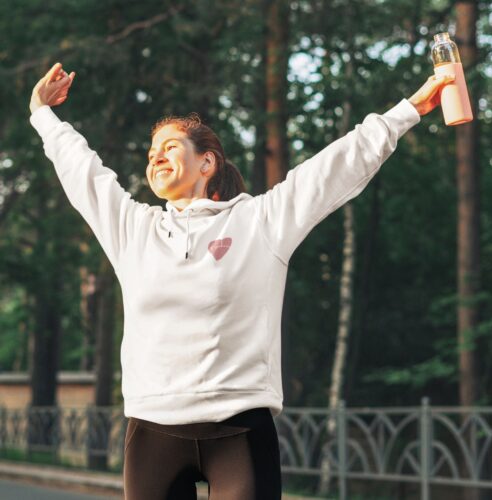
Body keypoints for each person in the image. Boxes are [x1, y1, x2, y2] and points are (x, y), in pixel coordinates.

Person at [29, 62, 454, 500]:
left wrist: (412, 108)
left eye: (170, 146)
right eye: (151, 150)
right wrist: (41, 112)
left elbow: (334, 168)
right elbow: (84, 171)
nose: (155, 156)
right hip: (152, 432)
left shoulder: (260, 223)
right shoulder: (133, 229)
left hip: (239, 432)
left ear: (207, 161)